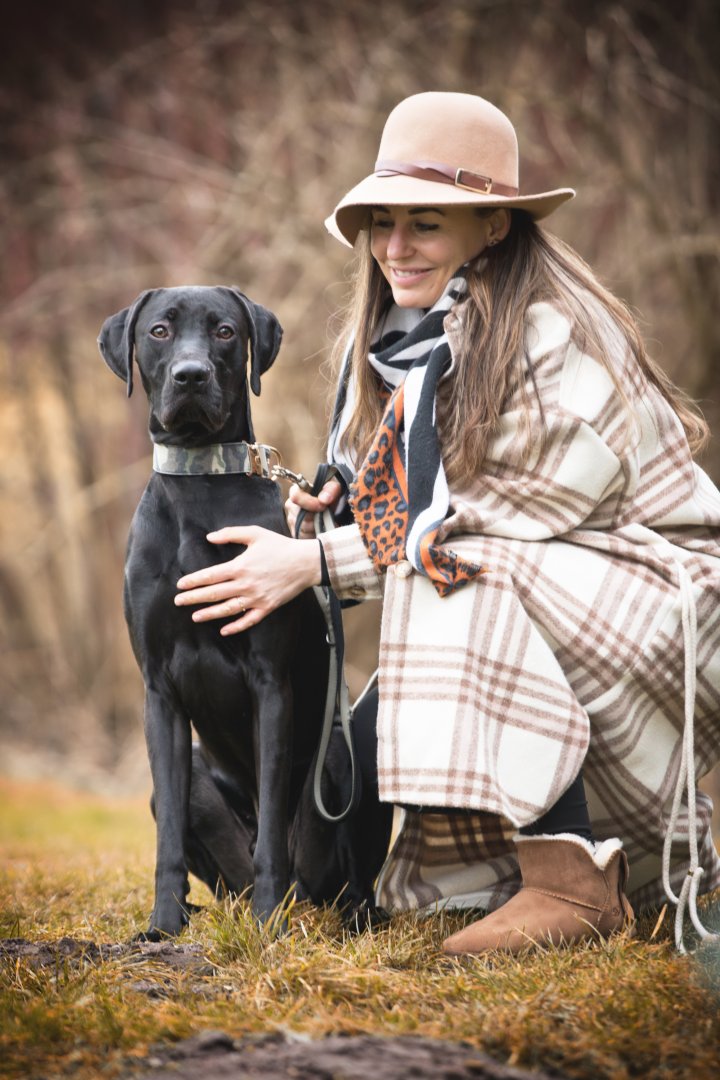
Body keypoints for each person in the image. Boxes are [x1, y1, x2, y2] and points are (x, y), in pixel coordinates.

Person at [175, 91, 720, 954]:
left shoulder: (555, 335)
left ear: (493, 228)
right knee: (364, 742)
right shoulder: (402, 342)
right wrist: (331, 505)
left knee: (453, 572)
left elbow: (478, 521)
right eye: (383, 223)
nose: (396, 248)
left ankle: (572, 883)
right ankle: (286, 866)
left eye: (426, 224)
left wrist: (311, 566)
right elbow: (408, 504)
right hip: (543, 594)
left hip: (667, 599)